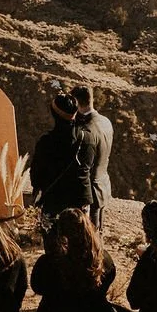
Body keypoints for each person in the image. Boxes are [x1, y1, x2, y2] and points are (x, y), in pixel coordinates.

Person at [29, 93, 92, 224]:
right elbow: (88, 167)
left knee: (54, 240)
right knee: (79, 240)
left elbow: (36, 174)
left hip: (54, 201)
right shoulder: (87, 138)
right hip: (80, 200)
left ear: (54, 114)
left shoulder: (46, 142)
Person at [71, 86, 113, 230]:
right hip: (103, 186)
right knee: (99, 233)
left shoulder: (86, 130)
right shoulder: (106, 122)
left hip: (90, 191)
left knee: (91, 237)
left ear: (76, 102)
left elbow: (83, 166)